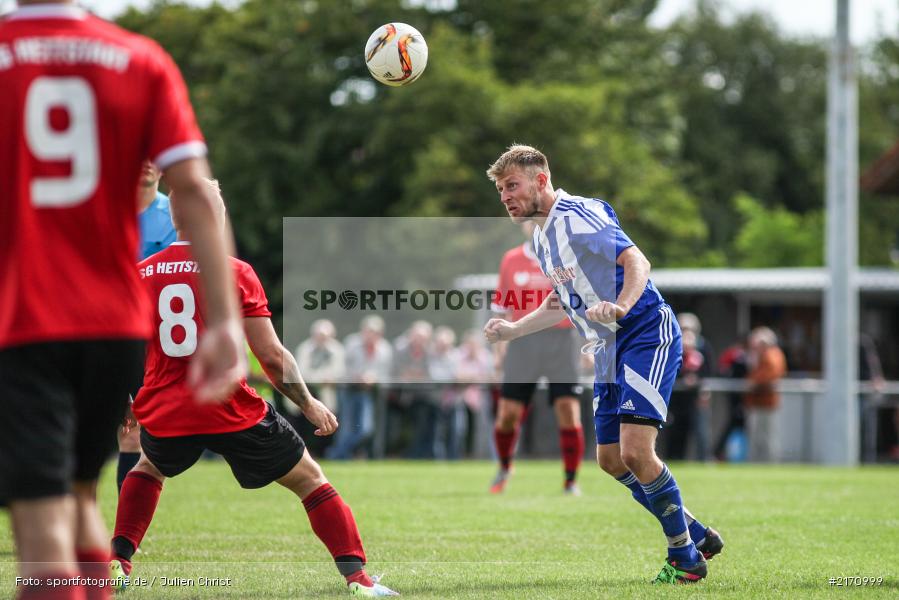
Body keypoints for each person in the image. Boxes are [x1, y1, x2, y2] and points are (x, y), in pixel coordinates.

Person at [0, 3, 245, 599]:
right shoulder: (141, 58)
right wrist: (226, 320)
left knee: (39, 528)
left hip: (26, 318)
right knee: (80, 495)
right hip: (116, 326)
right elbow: (193, 189)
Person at [110, 181, 397, 597]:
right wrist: (310, 403)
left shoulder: (141, 274)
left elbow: (114, 348)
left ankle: (118, 562)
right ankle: (359, 580)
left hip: (167, 411)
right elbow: (273, 358)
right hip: (228, 408)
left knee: (147, 467)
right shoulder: (235, 272)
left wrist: (123, 398)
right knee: (311, 481)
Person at [483, 145, 722, 584]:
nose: (506, 198)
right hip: (608, 349)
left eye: (512, 186)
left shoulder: (577, 215)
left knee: (635, 451)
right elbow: (560, 303)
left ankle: (685, 558)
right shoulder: (540, 237)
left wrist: (621, 306)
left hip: (644, 333)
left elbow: (637, 260)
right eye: (501, 191)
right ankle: (694, 531)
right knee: (611, 460)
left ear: (541, 180)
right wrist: (513, 331)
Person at [489, 221, 586, 495]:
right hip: (522, 342)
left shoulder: (565, 257)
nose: (533, 224)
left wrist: (588, 342)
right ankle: (505, 467)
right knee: (508, 414)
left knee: (568, 411)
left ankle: (570, 481)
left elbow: (581, 302)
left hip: (561, 341)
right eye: (528, 220)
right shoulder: (511, 259)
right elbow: (501, 309)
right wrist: (498, 351)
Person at [117, 160, 179, 493]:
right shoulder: (107, 208)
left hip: (150, 340)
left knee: (133, 435)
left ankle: (121, 533)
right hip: (105, 332)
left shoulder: (175, 212)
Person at [327, 316, 392, 460]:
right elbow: (342, 368)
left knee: (365, 429)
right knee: (345, 427)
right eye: (369, 331)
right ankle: (340, 456)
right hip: (348, 389)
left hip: (367, 392)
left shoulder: (385, 349)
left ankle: (335, 453)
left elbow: (385, 373)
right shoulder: (352, 343)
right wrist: (358, 376)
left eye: (375, 332)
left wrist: (373, 378)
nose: (371, 335)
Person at [294, 319, 346, 455]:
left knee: (330, 419)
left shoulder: (336, 350)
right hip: (306, 390)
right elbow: (302, 371)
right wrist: (320, 378)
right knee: (298, 418)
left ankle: (324, 451)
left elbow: (339, 372)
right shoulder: (305, 349)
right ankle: (302, 450)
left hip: (327, 391)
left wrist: (326, 378)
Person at [744, 326, 787, 463]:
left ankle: (769, 463)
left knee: (767, 437)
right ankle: (758, 463)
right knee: (758, 437)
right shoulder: (762, 356)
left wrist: (753, 381)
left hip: (766, 403)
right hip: (758, 403)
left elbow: (769, 376)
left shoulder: (772, 355)